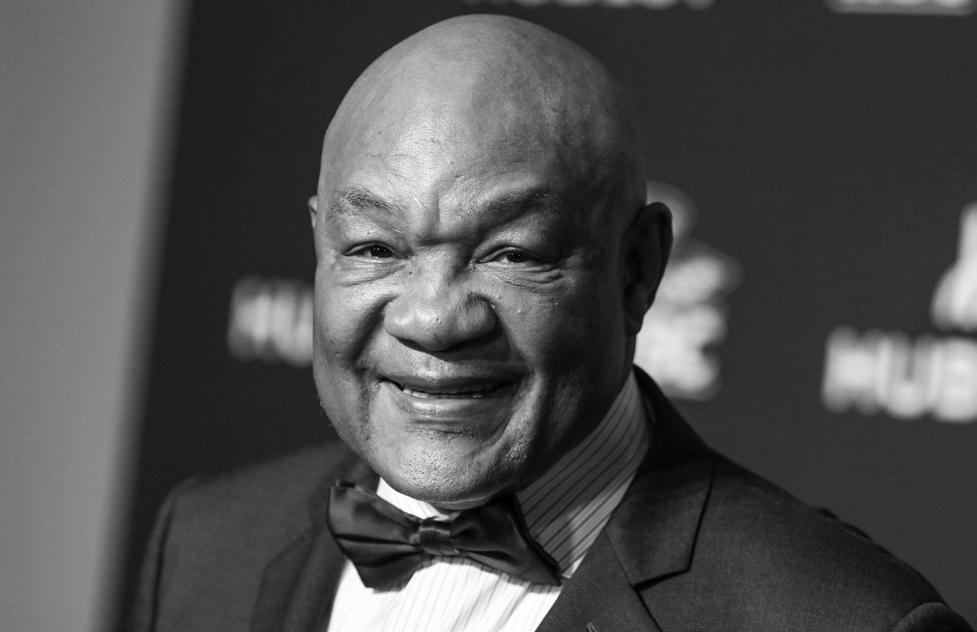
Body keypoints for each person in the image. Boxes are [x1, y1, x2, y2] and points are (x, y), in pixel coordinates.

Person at [131, 14, 971, 632]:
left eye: (509, 253)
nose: (433, 319)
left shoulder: (841, 621)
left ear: (636, 269)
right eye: (375, 248)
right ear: (319, 246)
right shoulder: (206, 544)